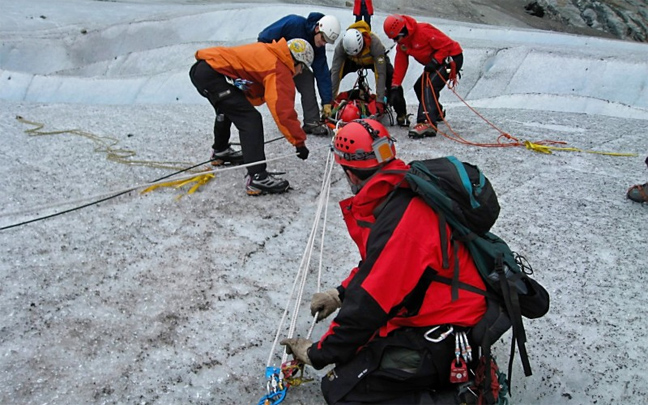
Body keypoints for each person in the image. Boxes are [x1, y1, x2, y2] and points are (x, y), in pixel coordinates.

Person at [281, 119, 487, 404]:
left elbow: (368, 305)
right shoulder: (401, 190)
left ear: (351, 175)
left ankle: (464, 399)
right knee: (360, 354)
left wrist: (318, 353)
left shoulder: (402, 220)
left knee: (343, 391)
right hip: (446, 306)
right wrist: (340, 293)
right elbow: (378, 267)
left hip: (447, 328)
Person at [189, 38, 313, 195]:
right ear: (296, 61)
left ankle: (221, 150)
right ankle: (257, 177)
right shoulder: (279, 68)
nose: (300, 72)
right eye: (302, 67)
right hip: (214, 75)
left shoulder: (271, 52)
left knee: (228, 107)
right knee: (251, 119)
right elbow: (283, 111)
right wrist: (299, 142)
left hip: (204, 70)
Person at [258, 13, 341, 136]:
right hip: (275, 61)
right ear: (318, 28)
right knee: (281, 91)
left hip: (296, 65)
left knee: (307, 80)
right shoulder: (294, 23)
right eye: (323, 39)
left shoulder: (318, 46)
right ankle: (286, 123)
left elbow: (322, 73)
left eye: (327, 42)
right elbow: (264, 38)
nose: (324, 43)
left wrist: (326, 102)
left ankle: (312, 122)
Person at [383, 14, 464, 139]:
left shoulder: (423, 31)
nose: (396, 41)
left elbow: (447, 46)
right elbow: (400, 64)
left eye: (396, 38)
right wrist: (395, 86)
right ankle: (436, 112)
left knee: (429, 85)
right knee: (419, 87)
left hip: (451, 58)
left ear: (403, 31)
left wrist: (436, 61)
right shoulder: (403, 44)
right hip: (437, 63)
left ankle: (427, 122)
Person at [330, 21, 409, 127]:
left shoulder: (375, 44)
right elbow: (336, 72)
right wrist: (330, 99)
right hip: (352, 61)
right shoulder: (341, 47)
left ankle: (401, 114)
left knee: (391, 79)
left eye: (358, 52)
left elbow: (380, 74)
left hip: (373, 60)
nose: (357, 55)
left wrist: (380, 101)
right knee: (330, 75)